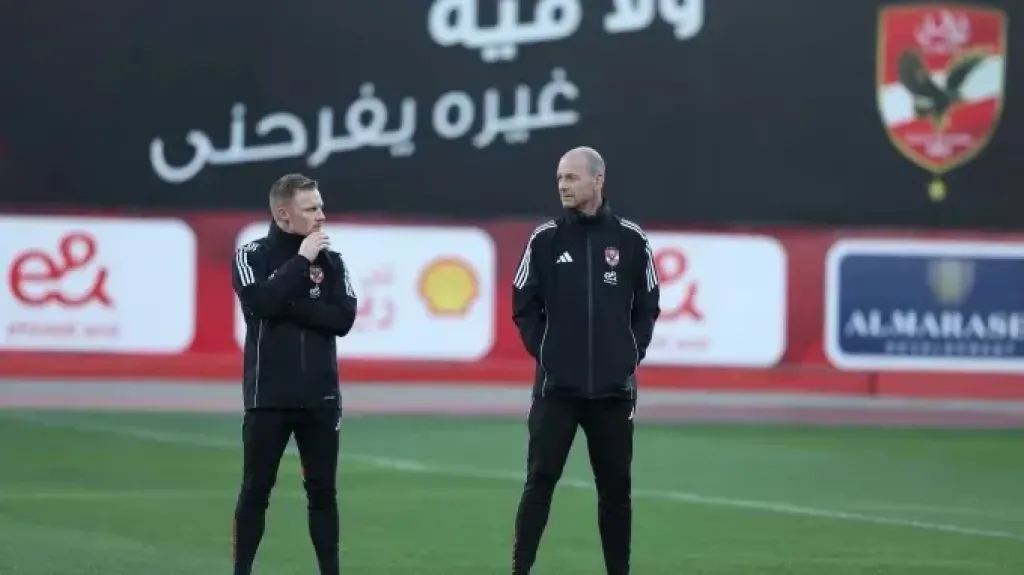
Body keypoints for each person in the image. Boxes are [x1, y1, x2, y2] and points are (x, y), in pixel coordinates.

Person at [510, 147, 661, 574]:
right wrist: (548, 353)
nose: (563, 185)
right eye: (560, 177)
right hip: (556, 390)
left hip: (613, 392)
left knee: (616, 491)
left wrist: (629, 355)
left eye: (572, 177)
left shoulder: (631, 240)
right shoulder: (545, 240)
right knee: (539, 483)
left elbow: (647, 305)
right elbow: (524, 305)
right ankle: (520, 570)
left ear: (598, 180)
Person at [230, 173, 357, 575]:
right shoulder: (251, 255)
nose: (322, 215)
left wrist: (291, 307)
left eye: (321, 206)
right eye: (311, 208)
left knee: (323, 494)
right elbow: (259, 302)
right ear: (284, 215)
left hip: (321, 397)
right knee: (256, 491)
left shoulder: (333, 262)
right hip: (268, 396)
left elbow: (344, 318)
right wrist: (300, 262)